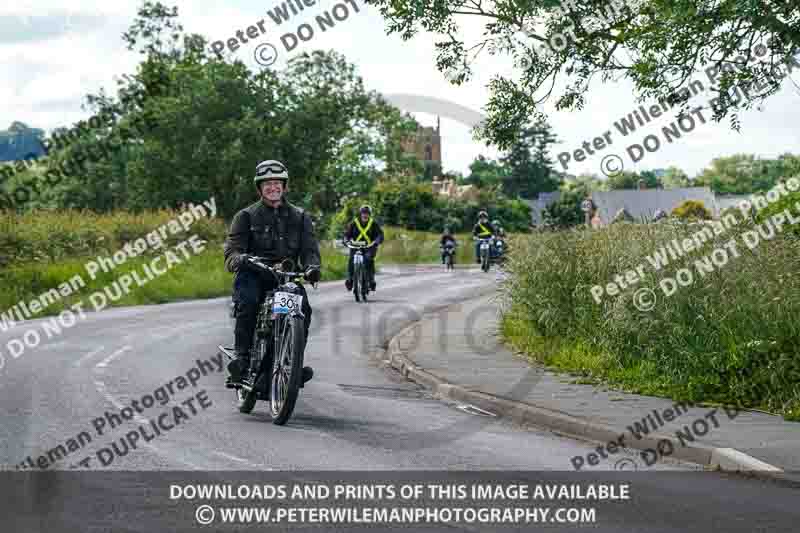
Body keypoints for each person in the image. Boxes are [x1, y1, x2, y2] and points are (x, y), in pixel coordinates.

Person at [223, 159, 321, 387]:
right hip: (254, 273)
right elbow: (232, 251)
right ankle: (242, 359)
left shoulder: (301, 217)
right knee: (248, 301)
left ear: (284, 186)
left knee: (302, 309)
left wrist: (312, 268)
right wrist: (240, 258)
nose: (273, 187)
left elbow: (310, 250)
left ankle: (291, 364)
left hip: (285, 278)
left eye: (277, 183)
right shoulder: (245, 216)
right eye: (267, 184)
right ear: (259, 188)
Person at [344, 205, 384, 292]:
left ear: (369, 214)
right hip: (355, 246)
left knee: (368, 259)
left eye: (367, 213)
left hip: (369, 247)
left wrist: (376, 242)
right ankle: (350, 280)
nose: (365, 215)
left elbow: (380, 235)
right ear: (360, 214)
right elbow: (346, 235)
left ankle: (371, 280)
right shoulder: (354, 223)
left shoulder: (374, 223)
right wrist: (346, 241)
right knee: (351, 260)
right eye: (363, 213)